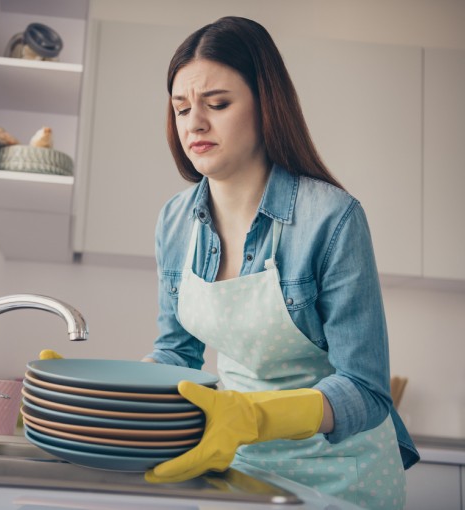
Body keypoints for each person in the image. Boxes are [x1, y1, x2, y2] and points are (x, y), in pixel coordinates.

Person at [137, 15, 419, 510]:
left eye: (217, 104)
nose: (194, 123)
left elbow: (366, 389)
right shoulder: (175, 221)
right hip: (237, 467)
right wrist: (103, 396)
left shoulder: (331, 219)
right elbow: (176, 354)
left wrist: (256, 416)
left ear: (266, 104)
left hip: (342, 477)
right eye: (181, 109)